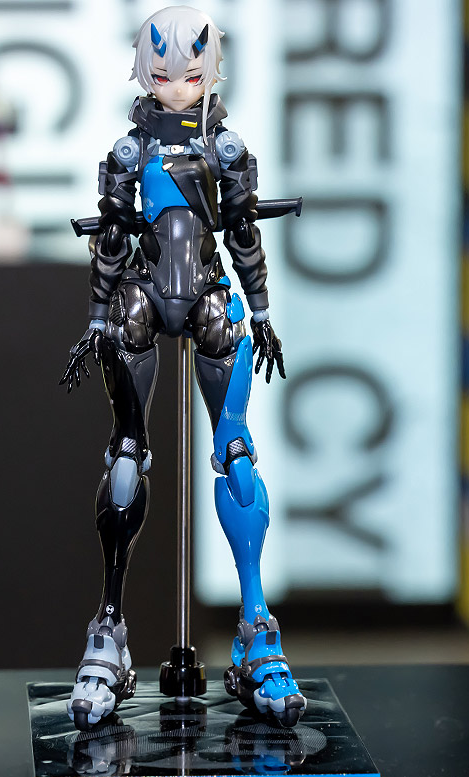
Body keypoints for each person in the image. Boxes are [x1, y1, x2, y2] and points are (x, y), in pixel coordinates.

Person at [60, 5, 306, 730]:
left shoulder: (226, 147)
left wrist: (261, 311)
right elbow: (111, 238)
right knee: (125, 461)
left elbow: (243, 232)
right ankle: (109, 631)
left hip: (208, 297)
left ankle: (256, 628)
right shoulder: (129, 149)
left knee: (237, 458)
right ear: (145, 71)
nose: (176, 83)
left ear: (210, 71)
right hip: (142, 297)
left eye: (190, 73)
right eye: (163, 72)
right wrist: (98, 317)